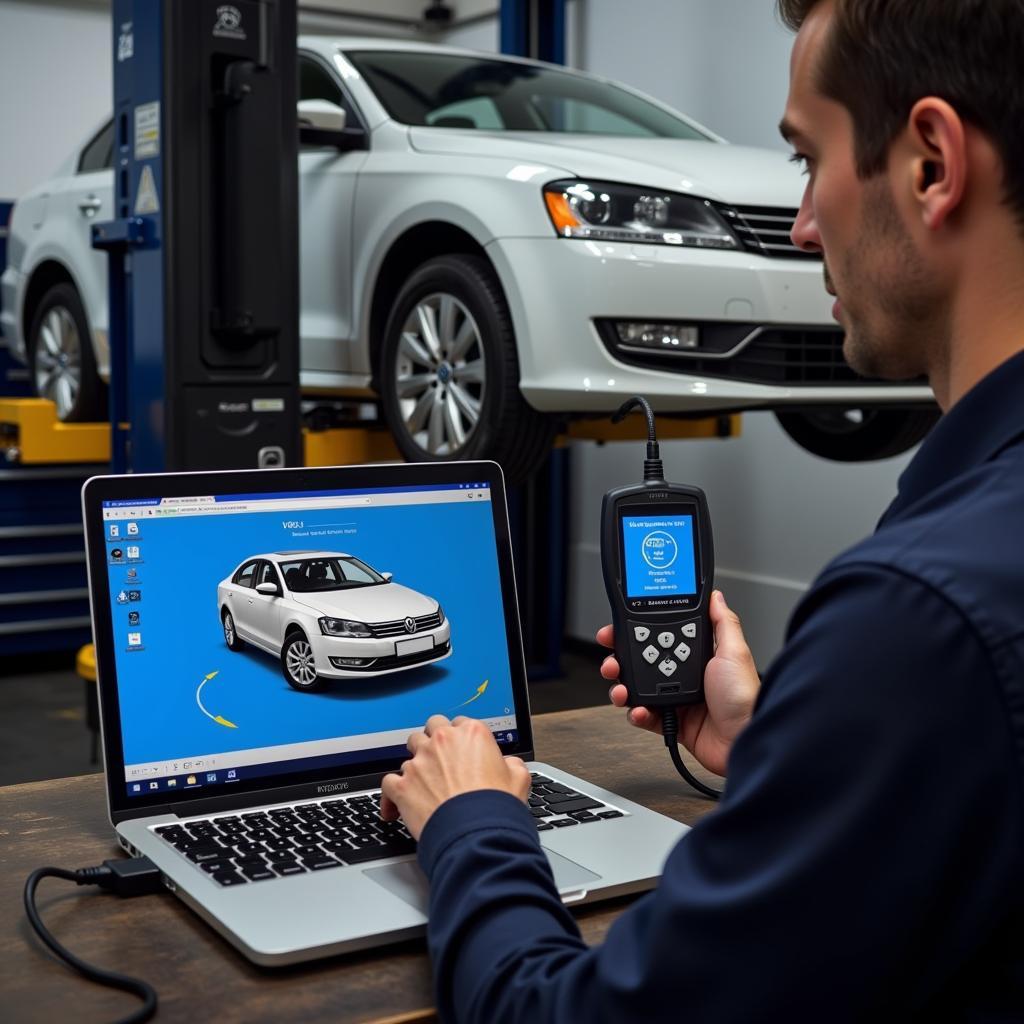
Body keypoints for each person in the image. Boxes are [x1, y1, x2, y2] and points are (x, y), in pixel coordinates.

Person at [379, 1, 1024, 1019]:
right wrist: (793, 752)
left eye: (807, 161)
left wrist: (470, 822)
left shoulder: (916, 619)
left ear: (932, 166)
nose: (801, 224)